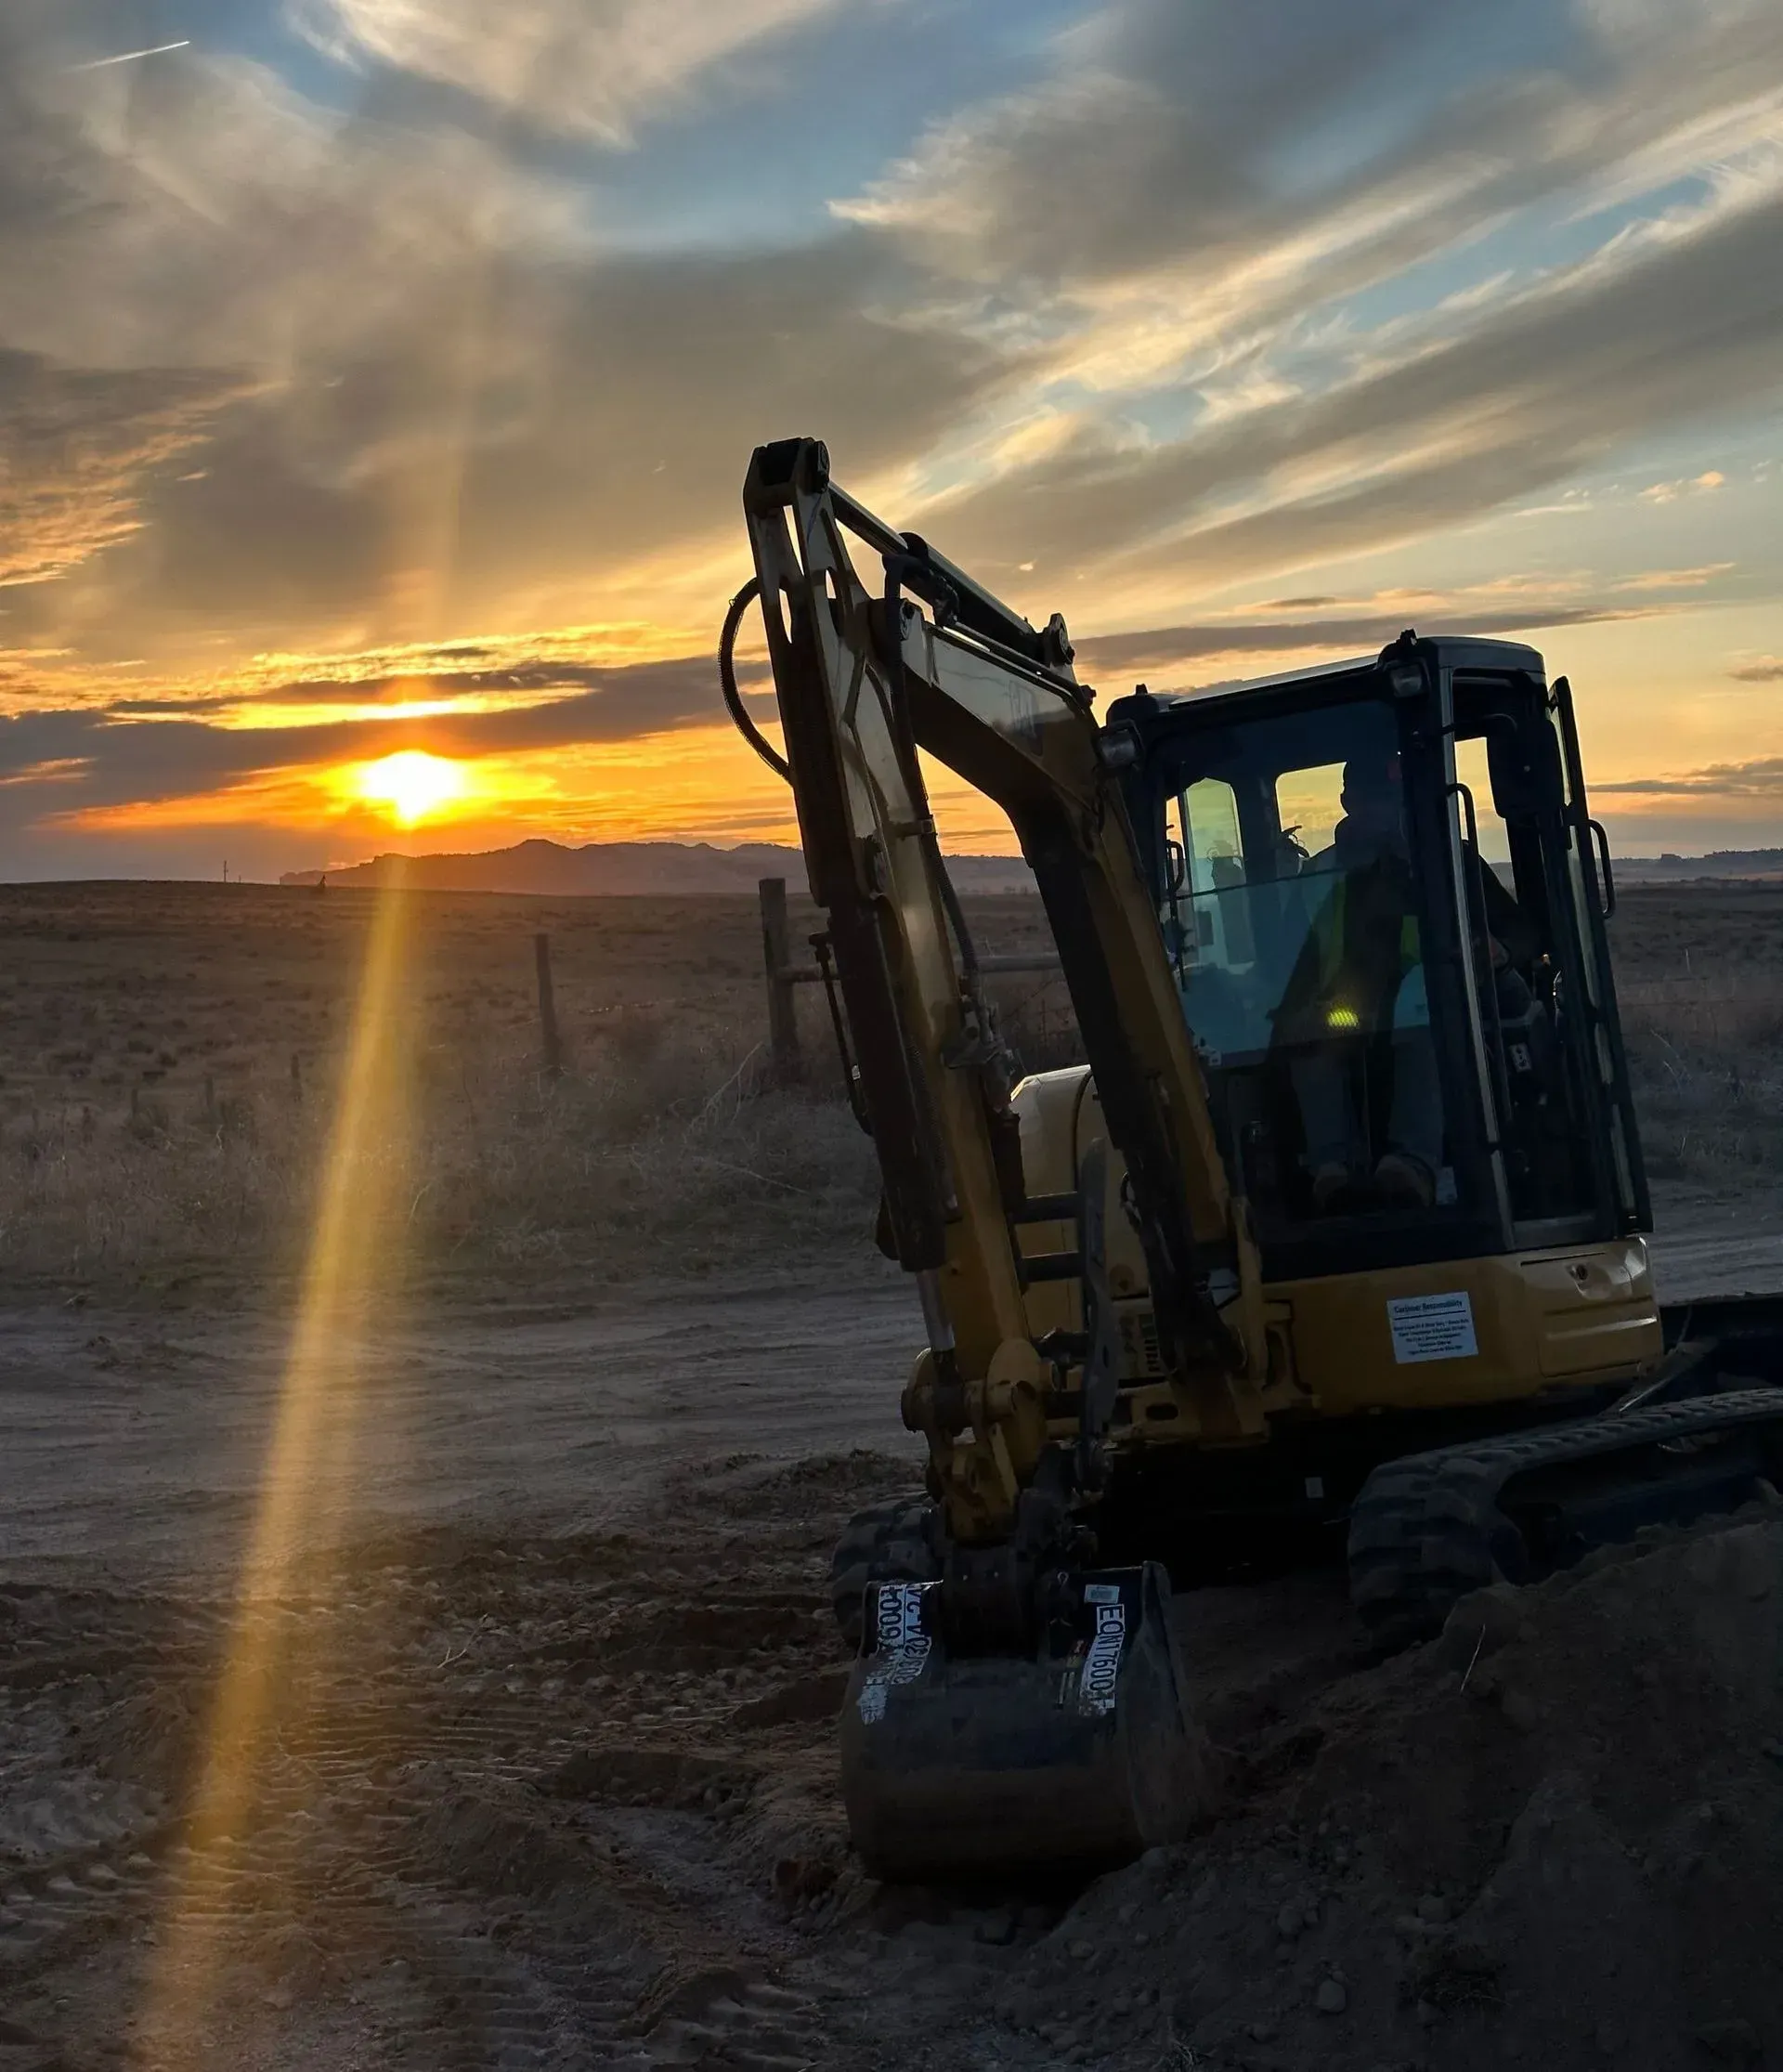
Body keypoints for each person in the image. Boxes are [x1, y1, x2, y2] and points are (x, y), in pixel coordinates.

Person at [1274, 750, 1443, 1212]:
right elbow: (1290, 960)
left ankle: (1412, 1166)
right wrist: (1294, 1013)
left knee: (1429, 1024)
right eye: (1370, 798)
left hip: (1424, 1010)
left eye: (1389, 798)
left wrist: (1498, 950)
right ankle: (1332, 1173)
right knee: (1308, 1044)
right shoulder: (1319, 876)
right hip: (1341, 1011)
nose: (1380, 809)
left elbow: (1509, 937)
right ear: (1349, 801)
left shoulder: (1444, 863)